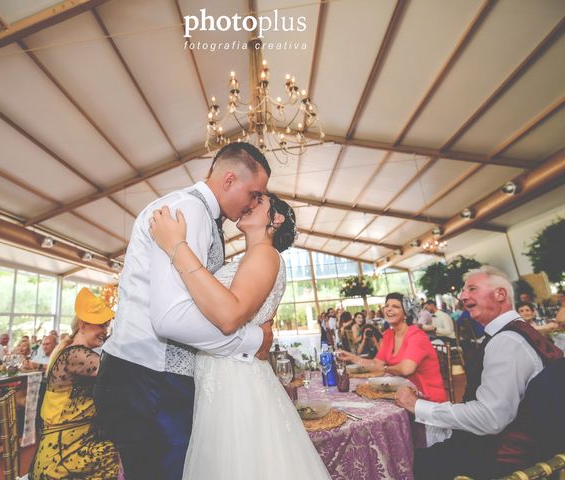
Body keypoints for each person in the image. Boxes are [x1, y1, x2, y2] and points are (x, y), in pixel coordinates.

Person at [94, 142, 275, 480]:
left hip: (149, 377)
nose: (254, 203)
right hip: (149, 379)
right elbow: (171, 319)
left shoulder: (199, 214)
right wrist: (251, 340)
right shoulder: (187, 211)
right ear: (229, 179)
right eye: (253, 193)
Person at [150, 192, 330, 479]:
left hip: (234, 377)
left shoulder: (265, 253)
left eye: (259, 202)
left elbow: (228, 315)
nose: (248, 204)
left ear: (277, 219)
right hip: (228, 370)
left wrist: (176, 246)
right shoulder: (253, 257)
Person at [395, 266, 563, 479]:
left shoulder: (506, 341)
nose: (463, 296)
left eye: (472, 289)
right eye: (463, 291)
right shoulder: (517, 332)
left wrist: (416, 406)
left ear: (500, 294)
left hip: (502, 459)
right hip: (532, 444)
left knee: (407, 463)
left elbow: (490, 418)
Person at [29, 288, 118, 480]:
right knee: (122, 454)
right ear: (83, 325)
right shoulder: (76, 355)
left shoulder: (73, 351)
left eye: (107, 326)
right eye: (102, 326)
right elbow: (119, 374)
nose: (105, 332)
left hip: (75, 442)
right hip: (62, 456)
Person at [337, 292, 446, 403]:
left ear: (406, 313)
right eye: (387, 306)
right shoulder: (389, 335)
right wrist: (352, 358)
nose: (388, 309)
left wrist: (385, 369)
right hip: (404, 395)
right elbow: (376, 364)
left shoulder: (416, 335)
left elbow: (406, 369)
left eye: (395, 306)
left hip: (427, 399)